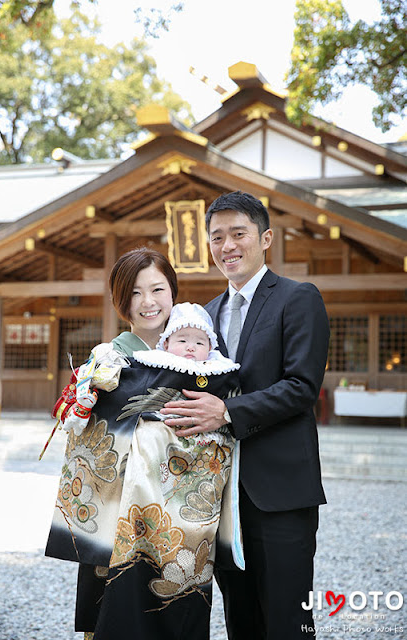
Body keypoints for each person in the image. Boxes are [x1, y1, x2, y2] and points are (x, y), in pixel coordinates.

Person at [45, 250, 241, 640]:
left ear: (173, 292)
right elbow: (83, 432)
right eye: (135, 293)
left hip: (184, 520)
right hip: (119, 513)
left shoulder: (205, 356)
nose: (149, 302)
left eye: (158, 289)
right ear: (122, 301)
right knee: (114, 614)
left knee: (177, 602)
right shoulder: (109, 358)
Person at [161, 191, 330, 640]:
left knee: (288, 621)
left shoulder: (298, 298)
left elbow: (302, 386)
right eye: (217, 238)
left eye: (239, 234)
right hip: (218, 495)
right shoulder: (206, 316)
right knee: (241, 620)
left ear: (266, 238)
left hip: (278, 492)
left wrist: (227, 411)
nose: (227, 246)